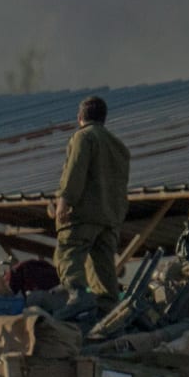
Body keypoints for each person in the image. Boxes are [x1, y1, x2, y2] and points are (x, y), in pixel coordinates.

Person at [53, 94, 132, 298]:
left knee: (68, 258)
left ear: (80, 117)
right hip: (109, 219)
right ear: (104, 118)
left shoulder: (83, 137)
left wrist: (64, 201)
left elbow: (75, 171)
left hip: (83, 216)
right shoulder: (119, 146)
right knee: (104, 274)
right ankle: (108, 312)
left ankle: (77, 300)